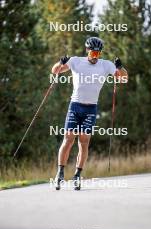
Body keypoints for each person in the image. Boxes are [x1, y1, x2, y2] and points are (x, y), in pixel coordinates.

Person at [51, 37, 128, 190]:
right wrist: (60, 62)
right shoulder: (75, 61)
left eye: (98, 54)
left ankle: (77, 175)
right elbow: (54, 71)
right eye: (93, 53)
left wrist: (121, 67)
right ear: (87, 51)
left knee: (84, 142)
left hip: (91, 109)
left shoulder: (106, 65)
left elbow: (123, 78)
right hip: (75, 106)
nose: (95, 56)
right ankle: (60, 173)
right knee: (68, 139)